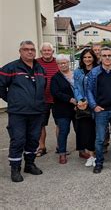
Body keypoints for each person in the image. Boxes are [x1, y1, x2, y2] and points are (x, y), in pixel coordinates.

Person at [0, 41, 45, 182]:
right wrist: (13, 100)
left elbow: (43, 87)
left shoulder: (40, 69)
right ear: (20, 51)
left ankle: (30, 164)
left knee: (33, 139)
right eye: (26, 49)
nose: (30, 52)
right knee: (18, 140)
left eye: (32, 49)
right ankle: (15, 168)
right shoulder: (10, 68)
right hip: (18, 113)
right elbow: (1, 86)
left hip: (36, 112)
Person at [73, 48, 98, 167]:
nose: (87, 59)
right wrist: (80, 100)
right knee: (86, 131)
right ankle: (91, 156)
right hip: (83, 106)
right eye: (85, 57)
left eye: (89, 57)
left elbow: (100, 88)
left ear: (93, 58)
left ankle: (97, 155)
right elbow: (76, 88)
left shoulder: (98, 70)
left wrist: (90, 100)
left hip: (96, 105)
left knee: (97, 131)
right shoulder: (78, 72)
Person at [50, 55, 77, 164]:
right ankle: (62, 153)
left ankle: (82, 151)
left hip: (77, 108)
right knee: (63, 132)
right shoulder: (55, 78)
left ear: (68, 62)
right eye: (60, 63)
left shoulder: (76, 74)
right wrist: (70, 99)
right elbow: (55, 93)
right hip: (62, 109)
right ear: (57, 65)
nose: (63, 65)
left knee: (79, 130)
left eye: (64, 62)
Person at [36, 42, 59, 157]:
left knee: (60, 123)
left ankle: (60, 146)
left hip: (57, 99)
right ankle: (42, 147)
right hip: (42, 99)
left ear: (52, 52)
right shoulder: (36, 63)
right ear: (41, 52)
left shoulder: (58, 62)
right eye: (44, 50)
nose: (46, 52)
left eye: (49, 50)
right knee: (41, 124)